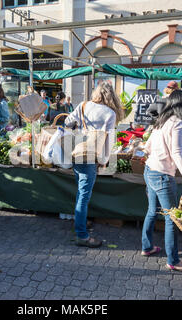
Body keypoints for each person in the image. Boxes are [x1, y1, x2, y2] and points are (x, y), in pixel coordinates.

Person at [142, 90, 182, 273]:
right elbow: (176, 154)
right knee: (172, 219)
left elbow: (147, 147)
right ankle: (173, 261)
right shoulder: (178, 124)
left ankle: (147, 247)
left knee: (152, 211)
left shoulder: (162, 120)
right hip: (162, 176)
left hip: (149, 170)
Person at [64, 82, 124, 248]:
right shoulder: (110, 113)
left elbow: (68, 122)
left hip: (76, 152)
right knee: (84, 195)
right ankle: (82, 235)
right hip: (91, 157)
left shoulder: (83, 105)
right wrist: (104, 161)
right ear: (111, 96)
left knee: (81, 192)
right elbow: (108, 141)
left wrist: (82, 128)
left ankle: (80, 224)